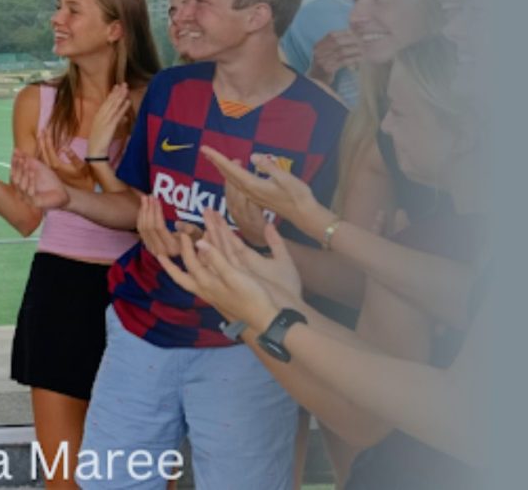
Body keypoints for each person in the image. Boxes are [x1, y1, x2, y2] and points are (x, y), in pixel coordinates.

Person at [14, 0, 349, 490]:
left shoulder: (326, 121)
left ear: (257, 16)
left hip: (245, 344)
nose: (181, 13)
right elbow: (138, 206)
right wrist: (68, 198)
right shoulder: (170, 90)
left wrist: (243, 243)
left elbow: (343, 270)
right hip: (140, 331)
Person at [181, 35, 487, 488]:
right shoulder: (427, 243)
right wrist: (272, 290)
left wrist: (257, 315)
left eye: (400, 112)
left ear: (464, 132)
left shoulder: (432, 242)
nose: (385, 129)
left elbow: (367, 418)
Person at [0, 0, 162, 488]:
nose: (57, 19)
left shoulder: (158, 101)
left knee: (143, 475)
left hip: (142, 291)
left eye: (73, 10)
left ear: (115, 28)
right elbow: (24, 216)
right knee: (64, 477)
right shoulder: (37, 101)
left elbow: (156, 212)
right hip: (59, 291)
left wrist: (90, 170)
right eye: (59, 7)